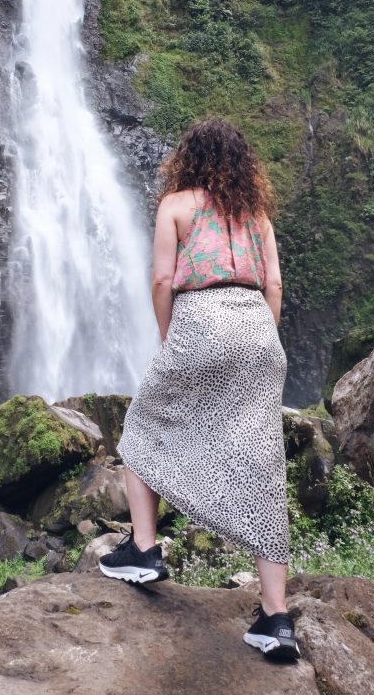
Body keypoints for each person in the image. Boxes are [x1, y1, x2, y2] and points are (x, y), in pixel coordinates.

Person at [99, 118, 300, 662]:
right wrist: (264, 346)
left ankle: (143, 548)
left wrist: (173, 339)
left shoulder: (176, 205)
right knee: (263, 467)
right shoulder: (256, 215)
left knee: (143, 424)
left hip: (201, 321)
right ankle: (276, 620)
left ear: (187, 158)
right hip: (259, 329)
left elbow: (163, 280)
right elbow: (275, 283)